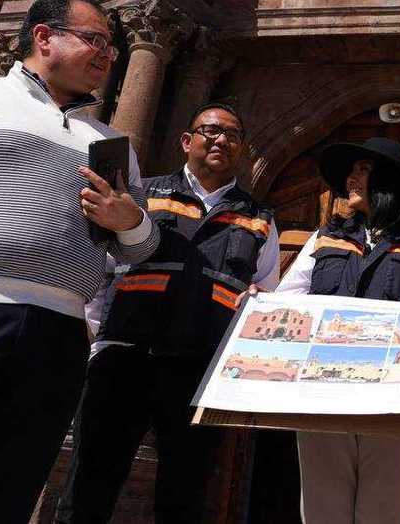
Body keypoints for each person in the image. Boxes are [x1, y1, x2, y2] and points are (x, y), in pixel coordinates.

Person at [0, 0, 161, 523]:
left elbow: (140, 249)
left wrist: (130, 221)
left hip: (59, 334)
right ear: (44, 36)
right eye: (94, 39)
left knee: (8, 486)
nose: (107, 55)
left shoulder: (113, 142)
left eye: (114, 49)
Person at [54, 102, 280, 524]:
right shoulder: (145, 195)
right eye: (211, 130)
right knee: (89, 484)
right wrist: (94, 341)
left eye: (233, 135)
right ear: (186, 140)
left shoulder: (259, 219)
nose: (222, 140)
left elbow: (264, 292)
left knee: (186, 493)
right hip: (125, 357)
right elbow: (98, 267)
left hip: (199, 370)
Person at [274, 136, 400, 524]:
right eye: (351, 170)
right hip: (322, 394)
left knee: (385, 508)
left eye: (363, 170)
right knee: (322, 507)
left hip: (395, 400)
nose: (351, 178)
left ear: (390, 182)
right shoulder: (325, 240)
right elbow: (289, 300)